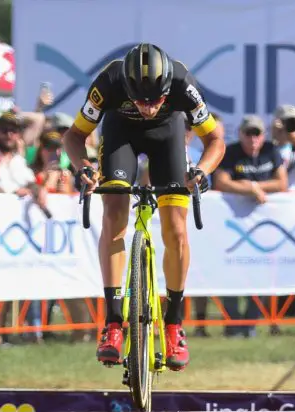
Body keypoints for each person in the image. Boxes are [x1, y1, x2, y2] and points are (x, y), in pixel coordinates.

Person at [62, 43, 226, 370]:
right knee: (114, 213)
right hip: (120, 136)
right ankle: (112, 323)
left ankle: (174, 324)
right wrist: (83, 168)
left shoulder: (182, 83)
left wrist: (202, 171)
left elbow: (215, 140)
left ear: (168, 90)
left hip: (168, 140)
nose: (149, 109)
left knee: (176, 230)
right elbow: (74, 137)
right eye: (140, 101)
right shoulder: (109, 82)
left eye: (156, 101)